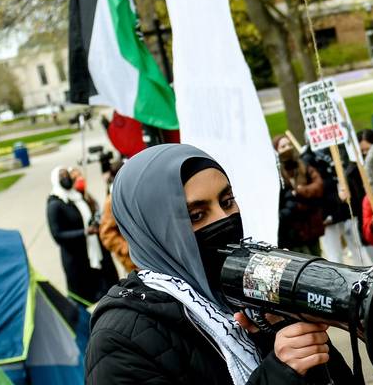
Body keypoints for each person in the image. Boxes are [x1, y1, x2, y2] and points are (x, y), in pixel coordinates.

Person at [85, 144, 355, 384]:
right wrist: (279, 374)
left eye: (227, 202)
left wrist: (284, 329)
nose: (223, 219)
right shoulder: (118, 343)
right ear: (153, 230)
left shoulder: (246, 286)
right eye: (196, 215)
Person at [47, 166, 115, 305]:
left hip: (94, 250)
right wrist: (84, 232)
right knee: (86, 299)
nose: (66, 177)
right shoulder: (55, 204)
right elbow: (57, 235)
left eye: (67, 174)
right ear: (55, 180)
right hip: (77, 259)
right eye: (62, 176)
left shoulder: (77, 197)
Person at [273, 135, 327, 256]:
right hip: (293, 230)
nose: (288, 148)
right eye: (283, 146)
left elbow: (318, 185)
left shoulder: (304, 165)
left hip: (311, 224)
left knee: (317, 257)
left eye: (289, 144)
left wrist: (300, 191)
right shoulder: (276, 173)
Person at [99, 160, 135, 273]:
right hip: (133, 263)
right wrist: (127, 249)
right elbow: (107, 234)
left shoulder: (135, 192)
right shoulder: (112, 201)